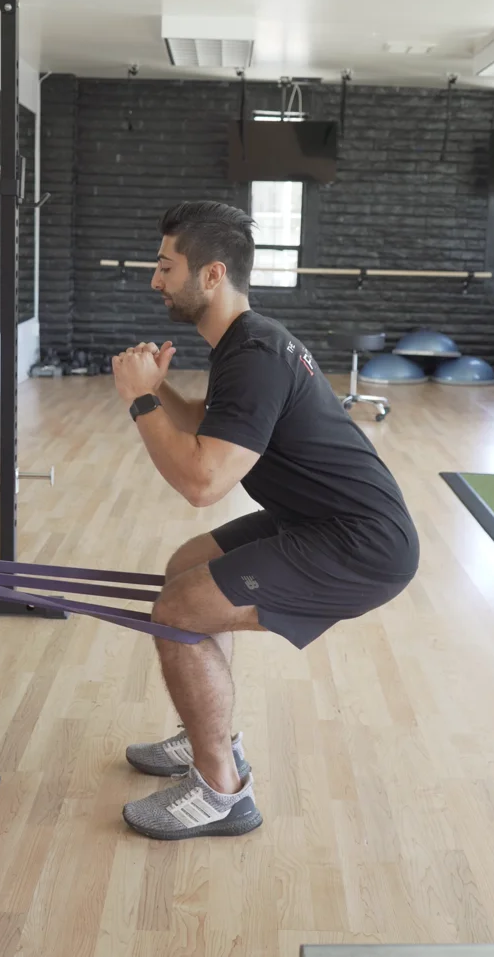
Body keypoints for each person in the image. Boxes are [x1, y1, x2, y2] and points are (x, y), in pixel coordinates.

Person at [112, 200, 419, 841]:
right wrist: (160, 389)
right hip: (313, 521)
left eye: (166, 266)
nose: (155, 279)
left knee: (178, 609)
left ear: (212, 274)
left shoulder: (253, 352)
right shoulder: (245, 341)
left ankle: (221, 791)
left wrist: (140, 399)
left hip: (358, 544)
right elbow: (211, 425)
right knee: (187, 569)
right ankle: (207, 735)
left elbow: (203, 482)